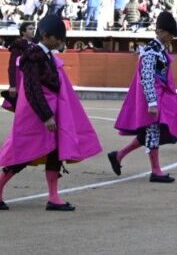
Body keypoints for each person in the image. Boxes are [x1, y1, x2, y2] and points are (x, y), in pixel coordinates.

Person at [0, 15, 101, 211]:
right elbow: (32, 89)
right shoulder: (32, 56)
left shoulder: (47, 56)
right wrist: (46, 116)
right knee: (24, 154)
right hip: (37, 116)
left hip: (51, 114)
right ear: (46, 36)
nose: (61, 41)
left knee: (55, 152)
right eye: (58, 38)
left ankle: (54, 197)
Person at [109, 11, 177, 183]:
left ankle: (118, 155)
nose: (171, 37)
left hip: (157, 97)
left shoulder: (158, 50)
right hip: (152, 99)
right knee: (152, 132)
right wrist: (152, 102)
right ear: (160, 31)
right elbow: (147, 77)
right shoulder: (150, 52)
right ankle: (155, 171)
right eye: (169, 34)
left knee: (148, 133)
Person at [2, 22, 36, 111]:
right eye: (30, 29)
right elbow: (12, 65)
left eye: (33, 29)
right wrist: (12, 85)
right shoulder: (18, 45)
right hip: (20, 80)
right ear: (23, 32)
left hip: (33, 80)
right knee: (22, 108)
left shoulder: (34, 45)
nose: (33, 31)